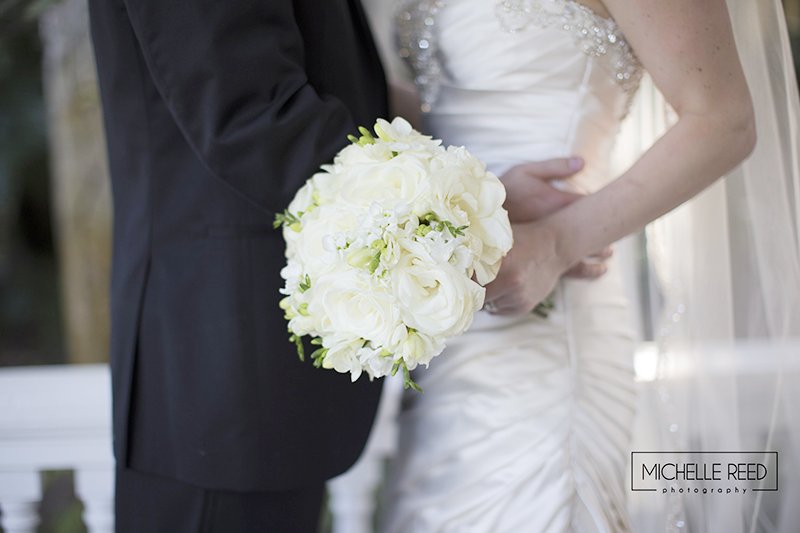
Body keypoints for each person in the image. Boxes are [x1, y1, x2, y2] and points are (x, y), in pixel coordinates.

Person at [87, 0, 605, 529]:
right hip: (223, 367)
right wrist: (478, 214)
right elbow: (256, 119)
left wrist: (478, 189)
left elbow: (327, 81)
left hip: (256, 374)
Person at [381, 0, 756, 531]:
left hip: (554, 307)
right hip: (449, 327)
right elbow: (446, 107)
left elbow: (724, 120)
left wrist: (556, 243)